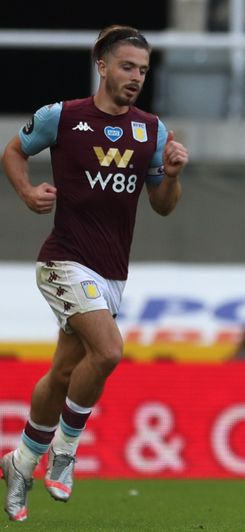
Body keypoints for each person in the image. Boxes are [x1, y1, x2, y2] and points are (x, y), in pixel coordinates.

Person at [0, 25, 188, 522]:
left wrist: (170, 175)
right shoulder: (62, 118)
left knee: (64, 371)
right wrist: (25, 191)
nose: (135, 78)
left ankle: (20, 462)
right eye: (127, 67)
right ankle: (64, 452)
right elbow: (13, 151)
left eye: (143, 71)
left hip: (111, 273)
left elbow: (163, 207)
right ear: (101, 65)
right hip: (62, 259)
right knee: (108, 350)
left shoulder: (151, 130)